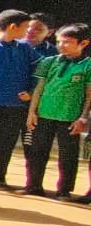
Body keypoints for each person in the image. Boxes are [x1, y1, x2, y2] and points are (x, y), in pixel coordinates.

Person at [24, 23, 91, 198]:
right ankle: (33, 185)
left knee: (68, 155)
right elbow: (39, 88)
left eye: (67, 42)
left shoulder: (88, 65)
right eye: (59, 41)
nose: (61, 45)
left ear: (83, 43)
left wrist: (83, 118)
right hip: (44, 114)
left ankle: (64, 189)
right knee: (37, 151)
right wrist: (32, 112)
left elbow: (89, 94)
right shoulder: (48, 61)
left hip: (70, 117)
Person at [0, 9, 38, 187]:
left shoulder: (25, 48)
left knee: (6, 143)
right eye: (25, 27)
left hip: (16, 105)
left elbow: (39, 70)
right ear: (13, 27)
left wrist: (31, 91)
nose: (27, 31)